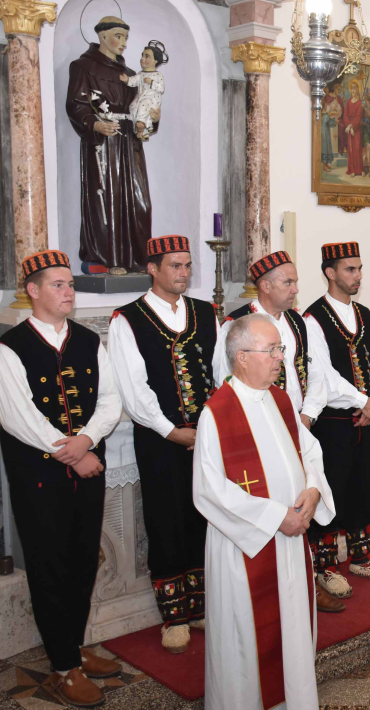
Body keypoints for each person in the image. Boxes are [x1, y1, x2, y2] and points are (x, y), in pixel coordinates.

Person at [0, 251, 123, 708]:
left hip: (86, 466)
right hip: (41, 477)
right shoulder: (10, 348)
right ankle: (64, 667)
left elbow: (110, 399)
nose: (69, 292)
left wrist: (86, 440)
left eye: (70, 284)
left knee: (84, 559)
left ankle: (73, 647)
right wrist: (68, 452)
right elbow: (17, 417)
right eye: (59, 285)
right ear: (33, 290)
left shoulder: (89, 341)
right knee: (50, 566)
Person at [193, 314, 334, 710]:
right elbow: (209, 490)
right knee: (245, 643)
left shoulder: (281, 398)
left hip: (289, 545)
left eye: (281, 349)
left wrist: (312, 489)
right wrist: (275, 518)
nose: (280, 359)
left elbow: (308, 450)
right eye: (272, 350)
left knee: (292, 635)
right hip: (245, 548)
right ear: (241, 357)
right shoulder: (216, 413)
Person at [109, 236, 218, 653]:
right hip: (160, 439)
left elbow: (222, 373)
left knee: (204, 516)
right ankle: (174, 614)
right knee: (166, 519)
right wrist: (172, 431)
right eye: (175, 265)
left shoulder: (206, 313)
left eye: (188, 265)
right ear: (152, 269)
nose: (184, 273)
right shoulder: (128, 319)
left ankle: (203, 604)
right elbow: (134, 390)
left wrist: (211, 426)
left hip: (207, 436)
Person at [303, 242, 370, 600]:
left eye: (359, 269)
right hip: (333, 421)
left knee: (361, 485)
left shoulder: (366, 315)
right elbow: (322, 375)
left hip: (367, 418)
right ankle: (325, 565)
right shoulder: (312, 318)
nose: (357, 276)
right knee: (333, 488)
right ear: (330, 272)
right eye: (349, 269)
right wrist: (364, 402)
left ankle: (360, 556)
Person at [66, 16, 158, 274]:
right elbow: (75, 104)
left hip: (129, 141)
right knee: (107, 198)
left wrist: (151, 117)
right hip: (104, 144)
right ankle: (107, 259)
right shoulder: (83, 66)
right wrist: (94, 124)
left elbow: (140, 108)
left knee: (140, 202)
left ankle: (137, 259)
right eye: (119, 36)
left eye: (126, 37)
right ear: (102, 36)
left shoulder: (130, 75)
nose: (124, 43)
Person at [215, 252, 325, 429]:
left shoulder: (298, 321)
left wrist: (308, 414)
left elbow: (317, 372)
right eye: (288, 282)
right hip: (258, 424)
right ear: (266, 286)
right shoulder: (236, 324)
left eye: (295, 282)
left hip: (301, 422)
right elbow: (224, 379)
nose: (295, 289)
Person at [119, 40, 167, 141]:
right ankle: (136, 128)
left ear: (155, 61)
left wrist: (151, 82)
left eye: (147, 56)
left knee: (144, 105)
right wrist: (126, 79)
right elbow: (133, 81)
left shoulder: (158, 75)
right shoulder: (140, 74)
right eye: (143, 56)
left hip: (151, 100)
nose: (142, 59)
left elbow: (161, 88)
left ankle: (141, 126)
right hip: (141, 97)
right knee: (132, 106)